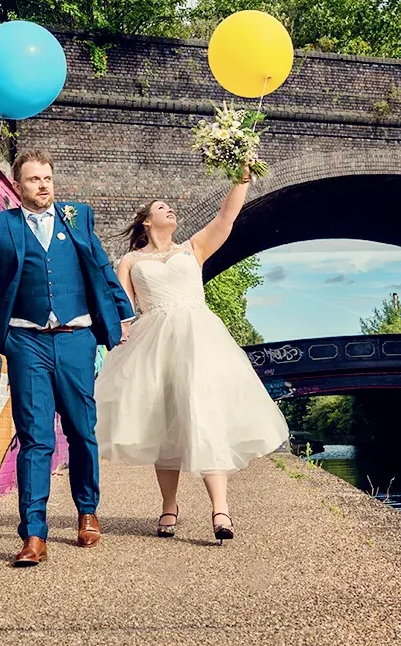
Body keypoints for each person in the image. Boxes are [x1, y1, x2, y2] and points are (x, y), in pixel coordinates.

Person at [0, 150, 134, 566]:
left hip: (76, 339)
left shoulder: (77, 216)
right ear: (18, 186)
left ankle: (87, 511)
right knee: (36, 438)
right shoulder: (0, 225)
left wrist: (123, 315)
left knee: (82, 430)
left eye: (48, 178)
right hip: (26, 342)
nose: (44, 185)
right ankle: (34, 534)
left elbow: (102, 268)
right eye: (34, 179)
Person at [94, 172, 289, 543]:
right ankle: (169, 506)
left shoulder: (192, 249)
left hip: (199, 339)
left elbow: (226, 218)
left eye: (170, 207)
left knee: (206, 413)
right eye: (161, 207)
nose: (170, 210)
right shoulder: (131, 261)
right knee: (163, 421)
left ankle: (221, 509)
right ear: (147, 221)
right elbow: (121, 305)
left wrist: (242, 178)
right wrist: (119, 330)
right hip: (153, 344)